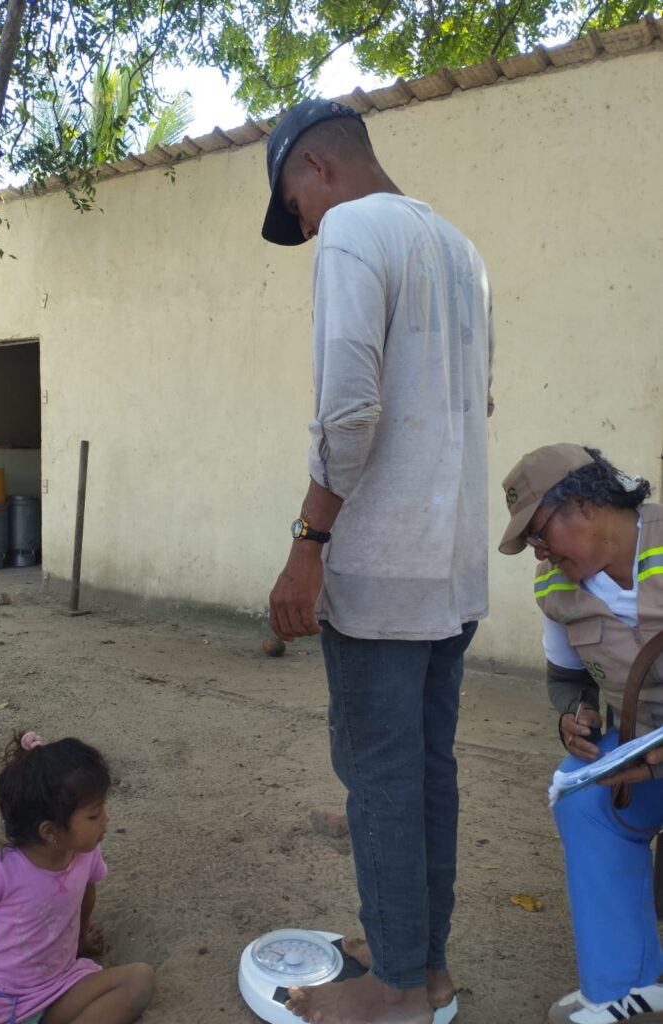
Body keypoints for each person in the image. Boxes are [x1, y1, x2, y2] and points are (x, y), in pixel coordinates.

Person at [262, 98, 495, 1024]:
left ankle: (395, 991)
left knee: (382, 779)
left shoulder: (354, 232)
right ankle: (421, 965)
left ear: (316, 166)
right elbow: (473, 405)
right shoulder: (461, 250)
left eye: (296, 205)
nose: (305, 228)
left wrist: (307, 545)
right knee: (426, 771)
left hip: (382, 569)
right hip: (451, 568)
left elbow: (350, 411)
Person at [498, 443, 663, 1024]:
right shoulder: (554, 588)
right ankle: (626, 987)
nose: (539, 552)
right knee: (583, 797)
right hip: (645, 749)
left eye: (540, 533)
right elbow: (566, 679)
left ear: (586, 504)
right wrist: (575, 715)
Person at [0, 731, 155, 1024]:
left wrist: (82, 938)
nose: (107, 819)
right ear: (50, 831)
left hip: (59, 985)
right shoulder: (1, 871)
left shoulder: (85, 854)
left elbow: (86, 896)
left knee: (139, 980)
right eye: (93, 815)